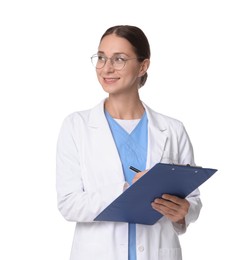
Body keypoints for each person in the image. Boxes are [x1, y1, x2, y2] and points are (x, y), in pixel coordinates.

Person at [56, 25, 202, 260]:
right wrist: (129, 190)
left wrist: (183, 212)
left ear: (143, 66)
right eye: (101, 58)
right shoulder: (76, 126)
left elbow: (192, 200)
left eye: (119, 59)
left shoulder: (173, 129)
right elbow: (68, 203)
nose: (107, 68)